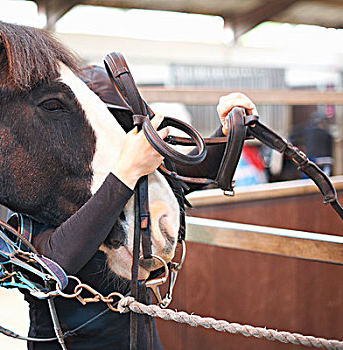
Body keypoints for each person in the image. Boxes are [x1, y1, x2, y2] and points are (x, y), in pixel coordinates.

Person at [21, 66, 257, 349]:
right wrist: (125, 172)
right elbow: (53, 260)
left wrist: (229, 131)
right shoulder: (37, 184)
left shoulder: (134, 171)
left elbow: (189, 176)